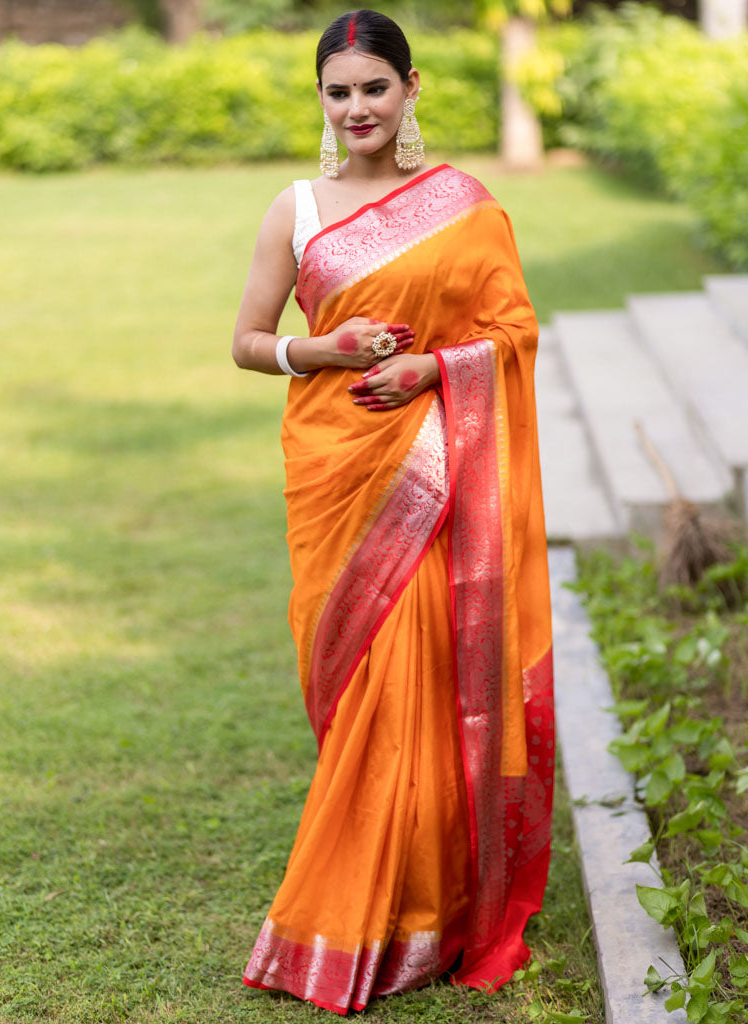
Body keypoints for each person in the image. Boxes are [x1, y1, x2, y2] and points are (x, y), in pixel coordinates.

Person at [232, 8, 553, 1015]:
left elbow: (513, 328)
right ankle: (395, 897)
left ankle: (413, 908)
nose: (357, 105)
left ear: (410, 89)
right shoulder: (296, 208)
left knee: (416, 682)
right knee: (356, 687)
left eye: (375, 86)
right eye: (338, 90)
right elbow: (247, 339)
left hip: (437, 474)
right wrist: (322, 351)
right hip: (336, 475)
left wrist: (430, 365)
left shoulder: (462, 204)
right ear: (321, 100)